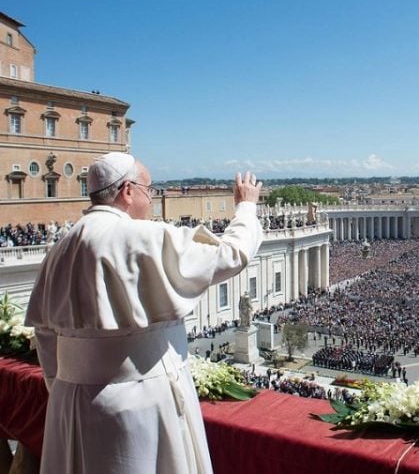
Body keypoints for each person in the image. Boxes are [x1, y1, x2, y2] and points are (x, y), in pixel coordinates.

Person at [25, 152, 264, 474]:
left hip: (70, 402)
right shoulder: (143, 236)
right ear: (127, 191)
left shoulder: (61, 246)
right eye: (149, 189)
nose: (151, 198)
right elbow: (231, 254)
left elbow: (44, 332)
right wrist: (246, 206)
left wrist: (65, 384)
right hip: (140, 401)